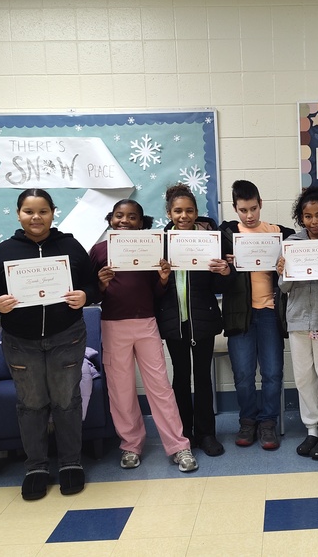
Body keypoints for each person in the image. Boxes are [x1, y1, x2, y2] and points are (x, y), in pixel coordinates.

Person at [0, 188, 100, 501]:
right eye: (29, 211)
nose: (36, 217)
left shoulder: (70, 246)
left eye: (43, 211)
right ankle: (36, 467)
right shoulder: (4, 251)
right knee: (31, 404)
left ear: (53, 213)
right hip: (21, 341)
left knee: (66, 400)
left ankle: (71, 462)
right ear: (18, 214)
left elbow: (93, 285)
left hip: (67, 336)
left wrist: (86, 295)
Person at [89, 199, 198, 473]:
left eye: (132, 217)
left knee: (160, 387)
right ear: (111, 219)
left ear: (141, 222)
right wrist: (100, 285)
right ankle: (130, 445)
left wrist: (163, 279)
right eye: (119, 216)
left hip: (146, 323)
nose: (125, 221)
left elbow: (156, 292)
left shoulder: (151, 247)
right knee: (121, 389)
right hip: (113, 325)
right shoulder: (99, 251)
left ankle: (178, 445)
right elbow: (90, 294)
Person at [218, 180, 294, 451]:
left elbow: (294, 266)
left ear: (261, 204)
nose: (249, 215)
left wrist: (284, 265)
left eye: (253, 208)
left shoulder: (279, 234)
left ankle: (268, 422)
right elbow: (217, 280)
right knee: (243, 374)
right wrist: (226, 269)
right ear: (234, 208)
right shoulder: (226, 236)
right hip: (240, 315)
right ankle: (247, 420)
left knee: (273, 372)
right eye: (243, 210)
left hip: (270, 313)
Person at [158, 183, 232, 457]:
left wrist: (225, 272)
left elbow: (221, 286)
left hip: (202, 319)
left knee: (202, 377)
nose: (184, 216)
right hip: (173, 321)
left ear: (196, 212)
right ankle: (183, 434)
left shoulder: (209, 240)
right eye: (178, 211)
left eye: (189, 210)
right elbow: (152, 290)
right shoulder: (160, 243)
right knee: (179, 378)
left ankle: (206, 434)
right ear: (169, 213)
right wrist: (161, 280)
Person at [276, 186, 318, 461]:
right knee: (304, 378)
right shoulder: (291, 243)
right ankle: (312, 429)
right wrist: (283, 270)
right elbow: (284, 288)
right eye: (308, 216)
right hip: (297, 321)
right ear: (300, 218)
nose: (314, 221)